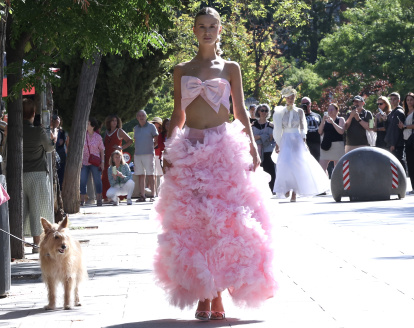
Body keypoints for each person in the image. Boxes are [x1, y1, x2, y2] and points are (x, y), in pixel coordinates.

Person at [154, 7, 276, 321]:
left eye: (213, 26)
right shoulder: (181, 69)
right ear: (193, 30)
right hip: (190, 149)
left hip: (224, 149)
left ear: (220, 30)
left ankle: (217, 294)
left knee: (224, 224)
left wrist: (252, 146)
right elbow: (177, 114)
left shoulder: (231, 67)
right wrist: (168, 148)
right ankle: (203, 295)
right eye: (202, 26)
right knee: (195, 225)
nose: (207, 31)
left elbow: (240, 112)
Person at [273, 86, 329, 202]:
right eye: (288, 97)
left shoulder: (299, 111)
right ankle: (286, 186)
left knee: (298, 164)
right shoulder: (280, 111)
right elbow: (278, 129)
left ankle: (295, 191)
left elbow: (303, 128)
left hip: (296, 139)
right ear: (285, 98)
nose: (290, 99)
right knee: (285, 163)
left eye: (292, 97)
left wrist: (304, 142)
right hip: (285, 139)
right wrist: (277, 143)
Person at [22, 98, 55, 253]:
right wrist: (53, 137)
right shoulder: (38, 131)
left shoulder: (14, 130)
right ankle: (37, 245)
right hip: (38, 174)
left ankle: (18, 243)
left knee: (20, 211)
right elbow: (49, 148)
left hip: (19, 175)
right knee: (38, 210)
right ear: (33, 113)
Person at [102, 115, 133, 203]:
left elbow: (130, 140)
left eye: (116, 121)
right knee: (105, 177)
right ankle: (107, 197)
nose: (114, 122)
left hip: (116, 159)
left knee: (115, 175)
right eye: (112, 121)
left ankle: (115, 197)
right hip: (107, 157)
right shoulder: (107, 132)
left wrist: (121, 147)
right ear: (109, 122)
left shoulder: (119, 131)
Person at [133, 110, 158, 202]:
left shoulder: (151, 126)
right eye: (139, 115)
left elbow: (156, 139)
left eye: (143, 115)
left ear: (146, 116)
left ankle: (152, 195)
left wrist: (151, 148)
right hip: (138, 154)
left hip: (149, 154)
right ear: (137, 117)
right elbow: (136, 141)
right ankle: (142, 196)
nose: (141, 117)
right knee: (140, 175)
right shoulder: (136, 128)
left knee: (151, 174)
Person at [80, 117, 105, 206]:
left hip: (95, 162)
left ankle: (99, 197)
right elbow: (80, 149)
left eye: (88, 123)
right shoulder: (83, 135)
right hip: (84, 162)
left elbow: (102, 150)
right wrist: (80, 162)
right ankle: (82, 199)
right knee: (82, 180)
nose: (86, 125)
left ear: (93, 126)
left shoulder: (98, 137)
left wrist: (102, 162)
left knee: (97, 180)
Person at [252, 104, 276, 191]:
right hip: (257, 151)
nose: (264, 112)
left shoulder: (271, 125)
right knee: (258, 170)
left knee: (270, 170)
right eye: (262, 110)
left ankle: (272, 189)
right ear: (258, 111)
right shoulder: (253, 125)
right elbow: (251, 137)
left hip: (268, 151)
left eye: (266, 111)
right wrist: (264, 136)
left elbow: (272, 137)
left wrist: (259, 136)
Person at [318, 103, 345, 175]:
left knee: (338, 169)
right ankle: (324, 183)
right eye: (329, 109)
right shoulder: (325, 120)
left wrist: (333, 122)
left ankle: (337, 184)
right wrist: (323, 120)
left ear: (337, 111)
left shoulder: (340, 119)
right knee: (321, 168)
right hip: (326, 145)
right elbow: (320, 131)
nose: (330, 111)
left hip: (337, 146)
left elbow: (341, 131)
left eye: (332, 109)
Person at [385, 92, 406, 170]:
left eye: (395, 99)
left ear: (399, 100)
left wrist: (393, 143)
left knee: (399, 162)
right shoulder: (392, 113)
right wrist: (384, 120)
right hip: (390, 142)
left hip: (396, 143)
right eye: (391, 99)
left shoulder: (399, 112)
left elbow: (397, 130)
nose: (392, 101)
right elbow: (388, 128)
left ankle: (404, 180)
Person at [398, 93, 414, 193]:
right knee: (411, 164)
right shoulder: (406, 112)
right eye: (407, 100)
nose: (409, 102)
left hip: (413, 139)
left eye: (411, 99)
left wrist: (404, 126)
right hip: (407, 140)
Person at [302, 96, 321, 162]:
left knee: (317, 162)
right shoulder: (299, 116)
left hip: (316, 143)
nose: (305, 105)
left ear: (310, 104)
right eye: (303, 104)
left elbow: (321, 128)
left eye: (307, 103)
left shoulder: (317, 115)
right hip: (305, 143)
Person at [50, 115, 66, 189]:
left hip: (60, 156)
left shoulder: (62, 131)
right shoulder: (49, 130)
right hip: (51, 155)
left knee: (60, 176)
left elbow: (61, 142)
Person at [151, 117, 164, 196]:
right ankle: (154, 191)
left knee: (160, 173)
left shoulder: (161, 132)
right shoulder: (151, 132)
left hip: (159, 155)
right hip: (152, 154)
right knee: (153, 174)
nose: (155, 124)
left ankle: (161, 191)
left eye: (156, 123)